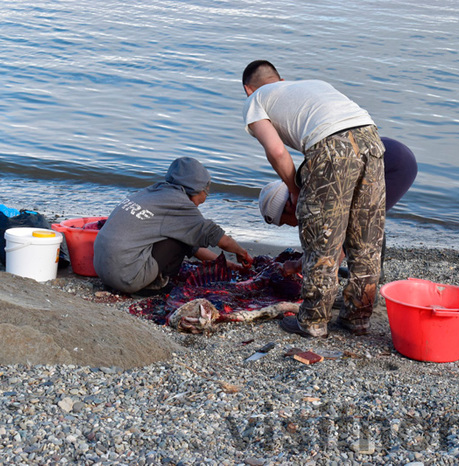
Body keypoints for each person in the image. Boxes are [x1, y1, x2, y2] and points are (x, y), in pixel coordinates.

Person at [242, 59, 386, 338]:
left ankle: (313, 322)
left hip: (332, 147)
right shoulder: (312, 85)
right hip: (372, 138)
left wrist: (294, 188)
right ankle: (357, 318)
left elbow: (277, 152)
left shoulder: (256, 100)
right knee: (366, 240)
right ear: (280, 78)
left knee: (323, 239)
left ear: (249, 89)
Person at [93, 156, 253, 295]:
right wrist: (242, 252)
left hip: (101, 270)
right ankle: (153, 286)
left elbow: (194, 247)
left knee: (180, 234)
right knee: (180, 239)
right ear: (197, 189)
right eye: (206, 192)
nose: (205, 198)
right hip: (126, 278)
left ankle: (140, 278)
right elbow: (217, 237)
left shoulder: (151, 192)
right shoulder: (180, 204)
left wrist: (228, 265)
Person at [258, 136, 418, 274]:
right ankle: (374, 274)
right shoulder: (304, 185)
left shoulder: (313, 198)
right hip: (389, 150)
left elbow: (336, 244)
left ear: (287, 206)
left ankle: (367, 289)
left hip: (395, 165)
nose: (292, 226)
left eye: (286, 222)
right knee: (367, 217)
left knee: (358, 225)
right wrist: (301, 263)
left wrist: (298, 267)